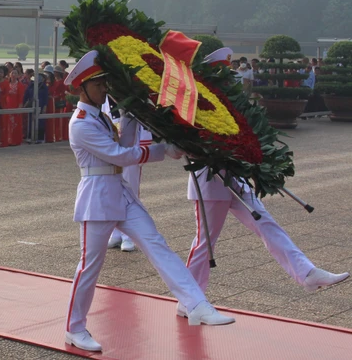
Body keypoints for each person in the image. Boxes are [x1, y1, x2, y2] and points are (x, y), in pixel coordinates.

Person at [63, 50, 233, 353]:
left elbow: (125, 144)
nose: (104, 89)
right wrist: (162, 149)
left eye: (104, 83)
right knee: (90, 266)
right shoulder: (81, 123)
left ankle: (196, 303)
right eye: (99, 84)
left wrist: (130, 115)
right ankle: (74, 328)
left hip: (119, 191)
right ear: (83, 88)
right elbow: (121, 155)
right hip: (97, 196)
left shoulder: (100, 116)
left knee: (157, 244)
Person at [183, 49, 348, 302]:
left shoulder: (232, 105)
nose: (229, 81)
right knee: (205, 243)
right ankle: (190, 299)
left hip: (236, 179)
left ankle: (307, 273)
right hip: (210, 182)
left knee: (267, 225)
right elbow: (185, 146)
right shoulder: (196, 107)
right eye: (223, 75)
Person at [102, 96, 151, 253]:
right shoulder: (102, 97)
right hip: (110, 150)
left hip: (131, 151)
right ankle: (115, 232)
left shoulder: (130, 94)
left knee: (131, 192)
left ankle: (128, 236)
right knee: (112, 192)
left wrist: (143, 148)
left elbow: (143, 124)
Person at [0, 66, 25, 147]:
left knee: (15, 123)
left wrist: (19, 108)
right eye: (12, 73)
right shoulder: (7, 83)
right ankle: (7, 140)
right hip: (7, 105)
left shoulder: (20, 85)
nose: (13, 74)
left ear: (18, 75)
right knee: (7, 124)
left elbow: (21, 98)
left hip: (15, 105)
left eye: (15, 73)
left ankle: (15, 140)